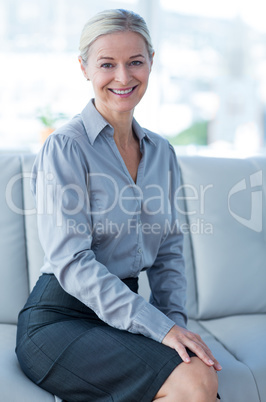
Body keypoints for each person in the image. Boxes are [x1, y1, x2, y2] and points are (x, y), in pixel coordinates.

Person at [16, 9, 221, 402]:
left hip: (124, 320)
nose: (123, 77)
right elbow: (71, 261)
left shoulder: (162, 153)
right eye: (107, 64)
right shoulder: (66, 147)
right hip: (59, 319)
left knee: (197, 376)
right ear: (84, 68)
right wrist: (159, 329)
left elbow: (169, 256)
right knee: (195, 385)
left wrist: (175, 331)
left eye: (135, 62)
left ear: (151, 64)